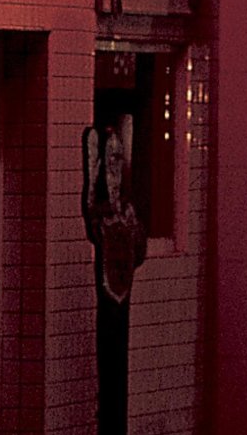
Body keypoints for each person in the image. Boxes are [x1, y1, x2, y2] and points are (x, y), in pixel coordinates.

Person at [83, 123, 147, 435]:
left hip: (117, 289)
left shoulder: (127, 214)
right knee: (112, 355)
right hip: (112, 291)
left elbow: (139, 251)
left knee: (116, 358)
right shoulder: (103, 216)